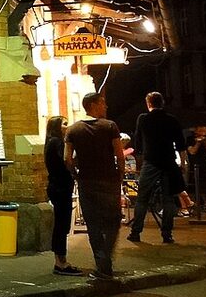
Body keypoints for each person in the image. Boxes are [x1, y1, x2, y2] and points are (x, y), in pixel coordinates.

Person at [64, 93, 124, 281]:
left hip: (87, 181)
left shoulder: (73, 130)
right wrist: (119, 175)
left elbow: (67, 158)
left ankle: (101, 263)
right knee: (113, 221)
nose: (105, 107)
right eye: (102, 103)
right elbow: (120, 155)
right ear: (93, 105)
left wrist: (76, 173)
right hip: (108, 180)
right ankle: (106, 259)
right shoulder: (110, 126)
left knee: (93, 223)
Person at [127, 92, 187, 244]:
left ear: (148, 104)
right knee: (168, 200)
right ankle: (167, 235)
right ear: (163, 103)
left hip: (151, 161)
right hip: (168, 162)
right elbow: (181, 145)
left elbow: (138, 141)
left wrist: (141, 157)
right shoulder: (172, 120)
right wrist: (184, 164)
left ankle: (136, 232)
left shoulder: (143, 119)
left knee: (142, 198)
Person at [44, 116, 81, 276]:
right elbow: (67, 161)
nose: (68, 126)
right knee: (62, 225)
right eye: (64, 124)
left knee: (62, 224)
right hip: (60, 187)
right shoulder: (57, 143)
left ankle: (61, 260)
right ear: (56, 127)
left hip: (57, 186)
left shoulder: (51, 142)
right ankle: (61, 263)